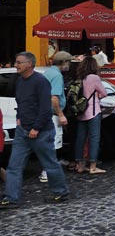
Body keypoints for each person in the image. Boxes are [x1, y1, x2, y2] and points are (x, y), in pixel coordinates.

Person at [1, 52, 69, 209]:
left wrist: (36, 128)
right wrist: (19, 118)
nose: (15, 65)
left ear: (29, 64)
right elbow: (21, 101)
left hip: (41, 132)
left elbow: (46, 108)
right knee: (14, 166)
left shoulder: (40, 81)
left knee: (50, 163)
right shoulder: (19, 81)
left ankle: (60, 191)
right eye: (15, 62)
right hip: (22, 130)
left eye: (19, 62)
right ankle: (11, 198)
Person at [40, 50, 72, 183]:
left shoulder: (48, 72)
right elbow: (54, 98)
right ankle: (47, 171)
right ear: (63, 63)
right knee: (54, 142)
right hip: (53, 114)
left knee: (49, 141)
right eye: (69, 62)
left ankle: (51, 166)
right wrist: (61, 114)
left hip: (45, 113)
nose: (69, 65)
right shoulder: (57, 76)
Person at [73, 55, 108, 175]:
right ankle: (93, 165)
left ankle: (80, 164)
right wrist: (96, 96)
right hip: (93, 110)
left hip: (81, 111)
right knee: (94, 138)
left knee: (80, 138)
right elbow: (104, 93)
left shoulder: (80, 77)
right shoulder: (94, 78)